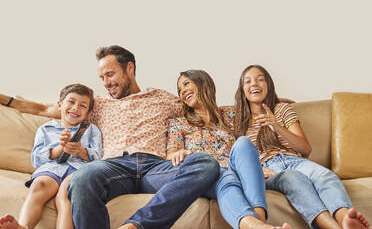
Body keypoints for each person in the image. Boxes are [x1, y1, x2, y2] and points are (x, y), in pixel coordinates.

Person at [0, 45, 220, 229]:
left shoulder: (162, 98)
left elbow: (200, 109)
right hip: (114, 167)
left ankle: (136, 225)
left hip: (155, 167)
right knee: (81, 179)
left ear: (129, 68)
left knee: (206, 163)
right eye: (102, 77)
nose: (106, 82)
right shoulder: (97, 105)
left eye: (110, 74)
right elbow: (43, 109)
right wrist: (7, 100)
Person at [233, 64, 371, 229]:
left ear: (268, 85)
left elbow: (305, 149)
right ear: (242, 90)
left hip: (295, 161)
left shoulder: (282, 109)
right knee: (293, 178)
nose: (254, 84)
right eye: (248, 81)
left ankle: (346, 220)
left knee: (325, 176)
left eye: (260, 79)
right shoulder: (238, 121)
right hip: (266, 168)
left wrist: (277, 126)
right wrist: (257, 170)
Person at [166, 69, 291, 229]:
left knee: (244, 143)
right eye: (179, 90)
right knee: (227, 177)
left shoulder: (230, 114)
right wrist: (178, 153)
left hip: (235, 169)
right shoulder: (179, 123)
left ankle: (259, 219)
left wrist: (278, 103)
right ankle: (260, 226)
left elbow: (255, 104)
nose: (182, 91)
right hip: (208, 173)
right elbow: (170, 155)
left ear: (203, 83)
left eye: (186, 84)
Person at [0, 84, 103, 229]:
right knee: (39, 186)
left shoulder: (92, 130)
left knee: (67, 193)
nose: (76, 108)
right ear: (60, 105)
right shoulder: (46, 129)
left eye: (82, 105)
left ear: (87, 114)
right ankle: (23, 227)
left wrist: (80, 151)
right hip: (52, 168)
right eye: (71, 102)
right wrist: (59, 149)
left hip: (78, 170)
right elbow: (36, 158)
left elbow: (98, 156)